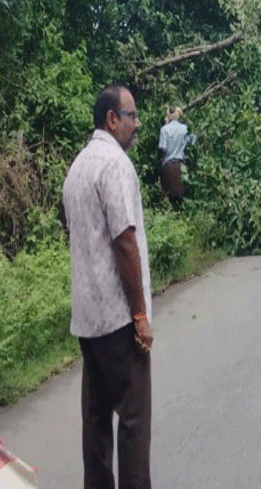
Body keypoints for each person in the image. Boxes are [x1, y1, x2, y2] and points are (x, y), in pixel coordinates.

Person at [62, 83, 153, 489]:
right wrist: (139, 315)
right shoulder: (115, 165)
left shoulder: (79, 166)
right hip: (117, 319)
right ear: (112, 119)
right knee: (133, 420)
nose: (137, 124)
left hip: (87, 318)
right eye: (131, 116)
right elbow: (124, 241)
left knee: (95, 421)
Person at [157, 104, 195, 210]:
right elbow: (191, 142)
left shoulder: (164, 130)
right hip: (181, 165)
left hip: (168, 165)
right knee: (181, 197)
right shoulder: (184, 128)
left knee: (169, 199)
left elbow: (162, 148)